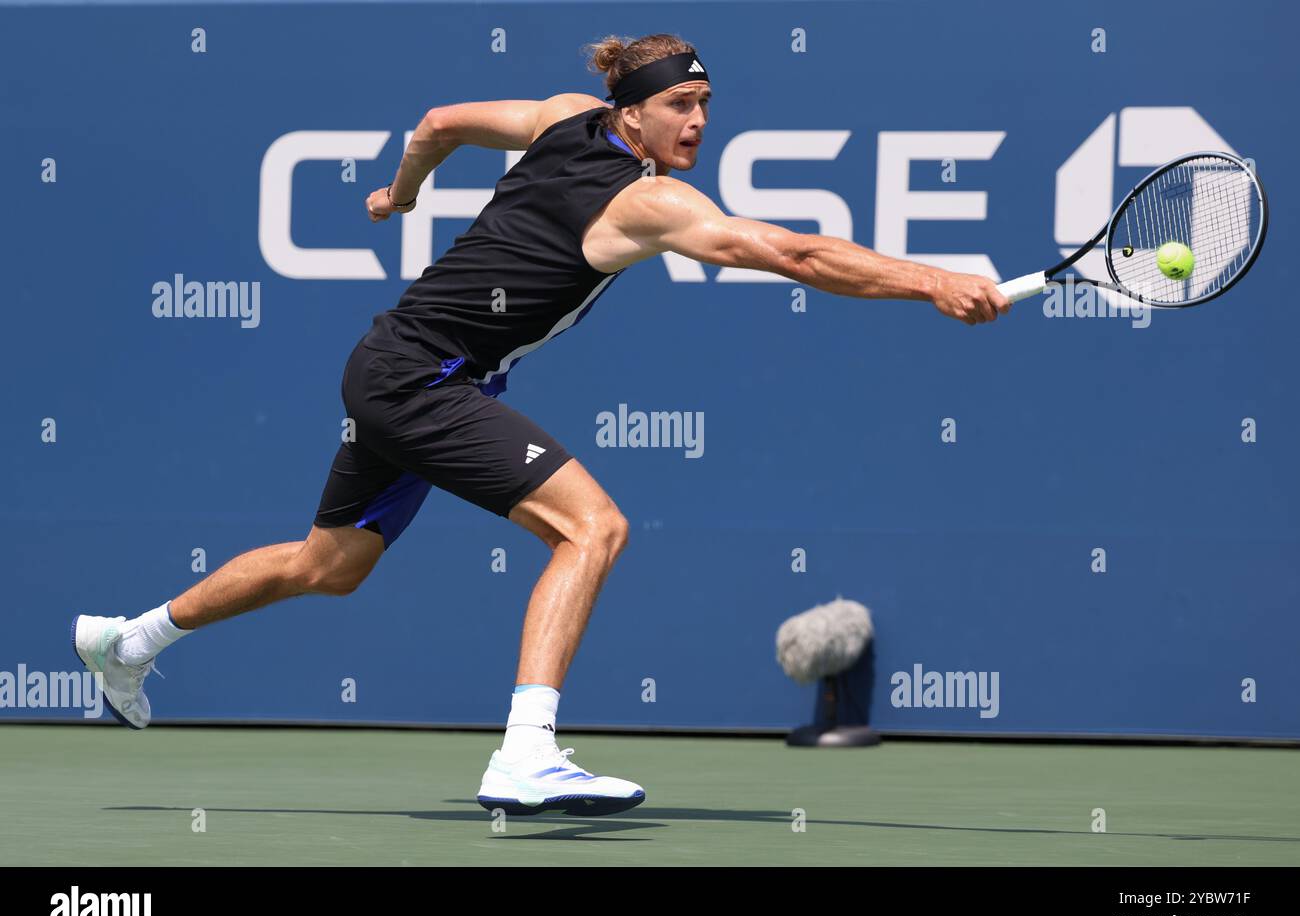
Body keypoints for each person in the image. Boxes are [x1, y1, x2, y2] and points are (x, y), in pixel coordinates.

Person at [73, 33, 1011, 818]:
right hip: (423, 378)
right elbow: (793, 252)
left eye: (708, 103)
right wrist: (933, 280)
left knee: (332, 565)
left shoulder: (565, 114)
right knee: (593, 527)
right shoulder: (649, 202)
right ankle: (527, 752)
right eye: (681, 103)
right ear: (633, 112)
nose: (698, 122)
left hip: (389, 362)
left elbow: (440, 124)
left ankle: (127, 642)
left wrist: (403, 194)